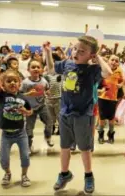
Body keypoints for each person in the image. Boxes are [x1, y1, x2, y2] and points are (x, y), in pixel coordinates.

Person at [44, 35, 112, 194]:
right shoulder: (67, 64)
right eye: (75, 49)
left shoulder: (92, 70)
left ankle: (88, 176)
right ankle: (64, 173)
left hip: (83, 114)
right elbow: (51, 69)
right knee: (64, 146)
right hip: (65, 112)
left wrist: (99, 58)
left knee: (84, 148)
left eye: (82, 51)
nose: (76, 53)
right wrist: (47, 52)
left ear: (91, 55)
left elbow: (108, 73)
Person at [0, 57, 33, 187]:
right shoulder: (2, 95)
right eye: (8, 81)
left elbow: (30, 111)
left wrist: (26, 112)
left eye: (15, 81)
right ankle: (8, 173)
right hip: (6, 135)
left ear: (19, 82)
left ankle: (24, 175)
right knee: (4, 160)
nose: (12, 83)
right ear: (3, 84)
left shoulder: (23, 98)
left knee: (25, 157)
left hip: (21, 133)